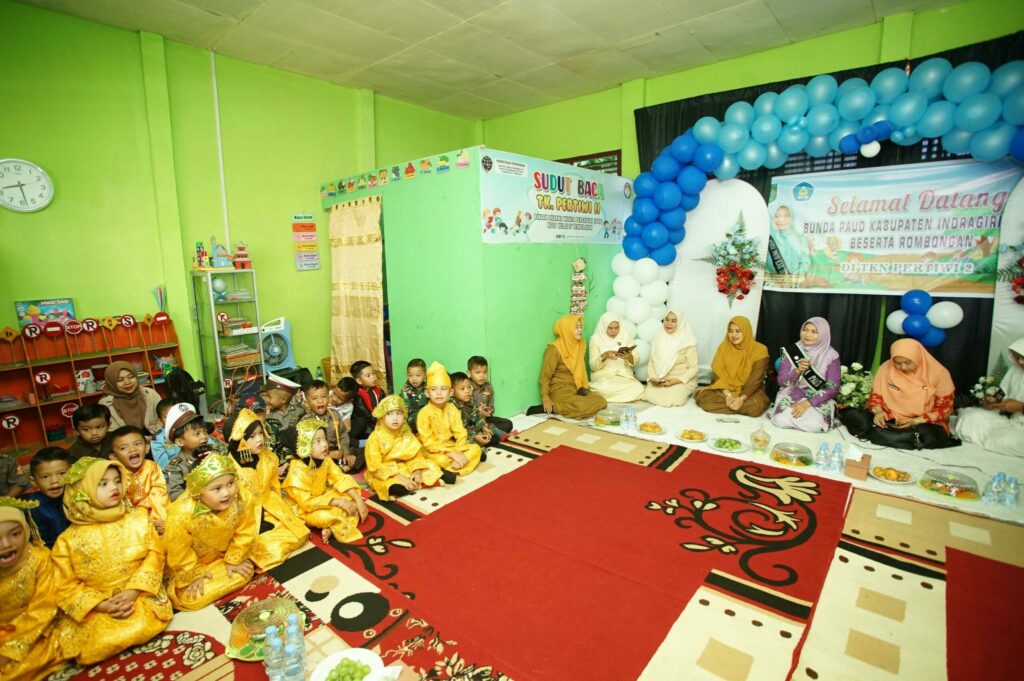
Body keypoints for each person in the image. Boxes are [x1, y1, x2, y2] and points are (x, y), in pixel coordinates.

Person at [52, 457, 171, 665]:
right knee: (95, 643)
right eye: (103, 483)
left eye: (117, 481)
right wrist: (102, 605)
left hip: (139, 593)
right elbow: (64, 584)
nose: (114, 487)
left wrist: (133, 591)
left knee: (143, 623)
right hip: (98, 604)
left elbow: (155, 554)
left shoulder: (139, 518)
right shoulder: (68, 540)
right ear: (82, 491)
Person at [164, 451, 256, 611]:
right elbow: (178, 551)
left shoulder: (242, 497)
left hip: (227, 555)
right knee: (192, 598)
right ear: (198, 492)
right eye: (217, 488)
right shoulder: (180, 513)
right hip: (196, 563)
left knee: (243, 572)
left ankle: (228, 568)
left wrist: (234, 559)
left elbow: (246, 531)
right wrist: (194, 574)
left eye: (230, 483)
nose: (227, 493)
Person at [223, 409, 309, 571]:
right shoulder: (227, 469)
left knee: (299, 533)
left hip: (269, 505)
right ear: (238, 439)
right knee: (266, 548)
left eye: (260, 433)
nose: (260, 439)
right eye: (252, 436)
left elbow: (274, 487)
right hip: (243, 519)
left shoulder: (268, 457)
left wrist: (277, 510)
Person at [840, 338, 958, 449]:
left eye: (908, 362)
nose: (903, 367)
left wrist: (916, 421)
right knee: (854, 416)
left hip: (922, 421)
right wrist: (878, 412)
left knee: (931, 435)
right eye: (897, 363)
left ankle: (885, 435)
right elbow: (876, 397)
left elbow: (945, 409)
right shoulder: (886, 368)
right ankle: (898, 437)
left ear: (918, 357)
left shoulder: (939, 373)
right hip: (890, 416)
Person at [0, 497, 69, 681]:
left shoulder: (40, 560)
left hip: (38, 632)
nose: (6, 544)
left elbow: (43, 608)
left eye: (15, 534)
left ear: (26, 530)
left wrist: (11, 649)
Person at [282, 419, 367, 544]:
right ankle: (333, 524)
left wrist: (358, 500)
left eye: (324, 439)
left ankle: (332, 526)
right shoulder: (296, 471)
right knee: (325, 517)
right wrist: (339, 502)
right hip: (304, 509)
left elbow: (340, 477)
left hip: (323, 497)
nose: (325, 444)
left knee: (353, 495)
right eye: (318, 441)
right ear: (304, 446)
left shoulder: (325, 459)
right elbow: (307, 503)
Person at [364, 395, 449, 501]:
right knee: (384, 483)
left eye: (399, 414)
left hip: (406, 466)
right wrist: (399, 477)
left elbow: (416, 455)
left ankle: (414, 484)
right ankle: (415, 485)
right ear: (382, 417)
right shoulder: (374, 438)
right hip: (385, 471)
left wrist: (417, 470)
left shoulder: (406, 433)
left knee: (430, 465)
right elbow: (374, 466)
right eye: (389, 414)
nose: (395, 418)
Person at [769, 317, 841, 432]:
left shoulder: (832, 356)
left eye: (814, 332)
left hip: (817, 397)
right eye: (805, 330)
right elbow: (781, 382)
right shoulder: (792, 351)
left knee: (815, 424)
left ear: (823, 334)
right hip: (793, 393)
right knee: (780, 420)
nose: (807, 334)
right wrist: (797, 371)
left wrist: (807, 403)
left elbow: (833, 388)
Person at [954, 337, 1024, 455]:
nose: (1020, 362)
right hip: (1010, 420)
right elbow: (1003, 391)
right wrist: (994, 399)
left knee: (1006, 441)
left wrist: (1021, 407)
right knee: (969, 416)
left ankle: (997, 438)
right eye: (1017, 357)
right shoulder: (1015, 369)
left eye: (1023, 357)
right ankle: (995, 437)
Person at [417, 361, 484, 476]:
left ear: (450, 392)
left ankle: (450, 470)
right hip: (432, 451)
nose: (439, 393)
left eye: (443, 389)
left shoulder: (452, 408)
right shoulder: (423, 413)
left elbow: (460, 432)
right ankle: (454, 466)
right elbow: (429, 443)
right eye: (433, 389)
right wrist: (452, 454)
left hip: (451, 445)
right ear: (427, 393)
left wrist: (459, 451)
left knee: (476, 449)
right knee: (441, 460)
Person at [695, 316, 771, 417]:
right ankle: (737, 406)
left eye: (738, 331)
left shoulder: (760, 350)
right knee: (703, 397)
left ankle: (734, 405)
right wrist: (728, 395)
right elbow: (717, 375)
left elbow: (755, 381)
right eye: (730, 331)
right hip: (725, 390)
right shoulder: (723, 347)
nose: (733, 335)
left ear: (746, 331)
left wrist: (741, 399)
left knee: (757, 406)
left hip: (749, 392)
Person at [535, 315, 607, 419]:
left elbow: (580, 369)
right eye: (576, 327)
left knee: (601, 401)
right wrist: (545, 397)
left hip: (576, 389)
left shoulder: (580, 345)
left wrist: (582, 388)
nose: (580, 330)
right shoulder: (554, 349)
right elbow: (545, 377)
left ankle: (570, 408)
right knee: (581, 407)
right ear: (567, 329)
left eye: (580, 327)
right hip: (560, 390)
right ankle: (555, 408)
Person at [107, 426, 169, 534]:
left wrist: (159, 520)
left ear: (147, 448)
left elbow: (159, 496)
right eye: (123, 448)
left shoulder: (152, 468)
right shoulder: (113, 473)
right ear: (114, 456)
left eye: (137, 444)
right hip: (125, 521)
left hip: (151, 516)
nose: (132, 449)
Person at [643, 310, 699, 407]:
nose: (669, 323)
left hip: (679, 380)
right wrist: (653, 378)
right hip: (660, 380)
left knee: (674, 399)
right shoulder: (658, 338)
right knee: (648, 394)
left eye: (673, 321)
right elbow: (651, 362)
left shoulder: (688, 341)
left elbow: (694, 368)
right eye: (667, 320)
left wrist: (676, 381)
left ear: (680, 323)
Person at [588, 314, 645, 403]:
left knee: (638, 388)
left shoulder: (625, 335)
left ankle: (607, 397)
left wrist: (629, 357)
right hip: (605, 377)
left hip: (623, 375)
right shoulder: (595, 339)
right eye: (610, 328)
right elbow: (593, 366)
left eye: (616, 328)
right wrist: (604, 356)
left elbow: (636, 357)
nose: (614, 331)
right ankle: (623, 396)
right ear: (604, 326)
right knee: (602, 389)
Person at [164, 404, 212, 502]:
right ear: (180, 442)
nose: (204, 436)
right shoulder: (176, 466)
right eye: (197, 434)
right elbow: (174, 494)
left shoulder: (212, 453)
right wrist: (199, 498)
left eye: (205, 432)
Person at [24, 448, 71, 547]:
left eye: (62, 473)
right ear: (33, 481)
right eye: (45, 476)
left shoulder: (79, 496)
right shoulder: (30, 506)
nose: (54, 481)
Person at [98, 361, 162, 434]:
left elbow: (163, 419)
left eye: (131, 377)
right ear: (111, 382)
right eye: (120, 380)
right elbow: (113, 434)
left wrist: (155, 436)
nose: (127, 382)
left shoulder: (150, 393)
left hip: (157, 437)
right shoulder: (105, 403)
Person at [301, 380, 353, 466]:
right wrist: (329, 454)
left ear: (329, 398)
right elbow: (306, 448)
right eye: (314, 398)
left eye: (324, 396)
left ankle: (343, 466)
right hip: (319, 458)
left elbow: (343, 435)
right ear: (307, 402)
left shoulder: (335, 415)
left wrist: (345, 453)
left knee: (359, 454)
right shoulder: (306, 422)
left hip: (337, 453)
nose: (320, 401)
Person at [467, 356, 515, 434]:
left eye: (484, 372)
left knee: (508, 423)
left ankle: (487, 432)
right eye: (477, 372)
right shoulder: (466, 388)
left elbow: (491, 405)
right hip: (472, 421)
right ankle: (487, 433)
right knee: (470, 428)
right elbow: (465, 410)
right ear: (469, 373)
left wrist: (489, 410)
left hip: (486, 419)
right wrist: (478, 412)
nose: (482, 376)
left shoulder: (488, 386)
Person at [451, 372, 499, 448]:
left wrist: (483, 427)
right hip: (460, 435)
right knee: (471, 445)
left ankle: (483, 440)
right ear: (452, 392)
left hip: (471, 429)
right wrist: (475, 436)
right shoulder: (451, 407)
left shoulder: (470, 400)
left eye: (469, 387)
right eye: (462, 389)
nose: (467, 391)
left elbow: (476, 417)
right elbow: (458, 430)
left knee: (491, 430)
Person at [350, 360, 385, 448]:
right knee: (363, 422)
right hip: (365, 425)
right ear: (359, 380)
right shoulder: (358, 395)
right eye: (368, 375)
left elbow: (384, 406)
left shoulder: (379, 391)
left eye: (373, 373)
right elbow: (367, 416)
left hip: (377, 421)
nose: (373, 377)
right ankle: (359, 442)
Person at [766, 205, 810, 276]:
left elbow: (805, 262)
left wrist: (793, 277)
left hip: (793, 281)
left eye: (786, 216)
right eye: (777, 216)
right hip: (770, 281)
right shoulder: (767, 238)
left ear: (791, 218)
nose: (781, 220)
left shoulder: (800, 238)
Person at [149, 399, 179, 469]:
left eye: (175, 415)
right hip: (174, 472)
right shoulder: (157, 438)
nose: (172, 419)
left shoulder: (189, 428)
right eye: (166, 417)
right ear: (160, 420)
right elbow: (163, 464)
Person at [400, 359, 429, 433]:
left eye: (418, 375)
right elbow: (407, 410)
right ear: (407, 375)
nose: (414, 379)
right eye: (410, 375)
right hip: (411, 421)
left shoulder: (428, 386)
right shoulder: (405, 390)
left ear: (425, 375)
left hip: (426, 417)